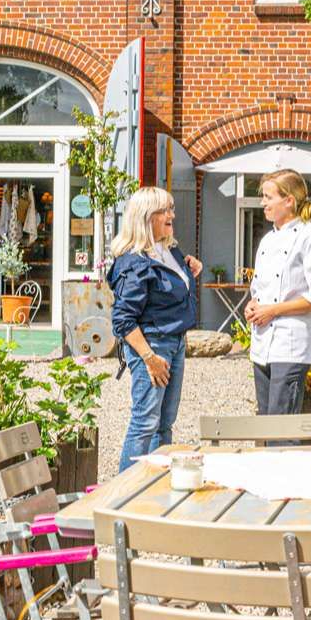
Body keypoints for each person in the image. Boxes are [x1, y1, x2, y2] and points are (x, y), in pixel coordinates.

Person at [108, 186, 202, 465]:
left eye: (171, 208)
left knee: (165, 423)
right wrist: (149, 358)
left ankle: (157, 486)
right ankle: (124, 492)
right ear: (146, 217)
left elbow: (171, 284)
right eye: (164, 210)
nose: (172, 214)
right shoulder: (134, 261)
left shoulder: (168, 249)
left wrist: (189, 267)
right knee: (144, 423)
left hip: (175, 341)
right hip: (153, 345)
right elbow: (123, 319)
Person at [245, 169, 311, 414]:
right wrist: (253, 305)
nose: (262, 203)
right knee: (265, 426)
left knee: (281, 428)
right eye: (262, 197)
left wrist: (273, 310)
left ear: (289, 201)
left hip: (290, 344)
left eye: (268, 197)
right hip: (262, 344)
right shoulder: (267, 240)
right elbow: (259, 289)